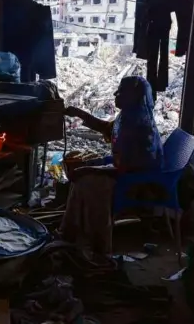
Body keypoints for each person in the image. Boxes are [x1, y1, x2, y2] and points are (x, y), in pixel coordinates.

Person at [61, 76, 163, 254]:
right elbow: (106, 128)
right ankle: (72, 232)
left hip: (137, 178)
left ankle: (99, 246)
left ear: (134, 96)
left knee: (87, 183)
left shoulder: (137, 126)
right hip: (127, 168)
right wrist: (79, 112)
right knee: (81, 171)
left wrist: (88, 169)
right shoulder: (129, 116)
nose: (116, 94)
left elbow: (123, 167)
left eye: (122, 91)